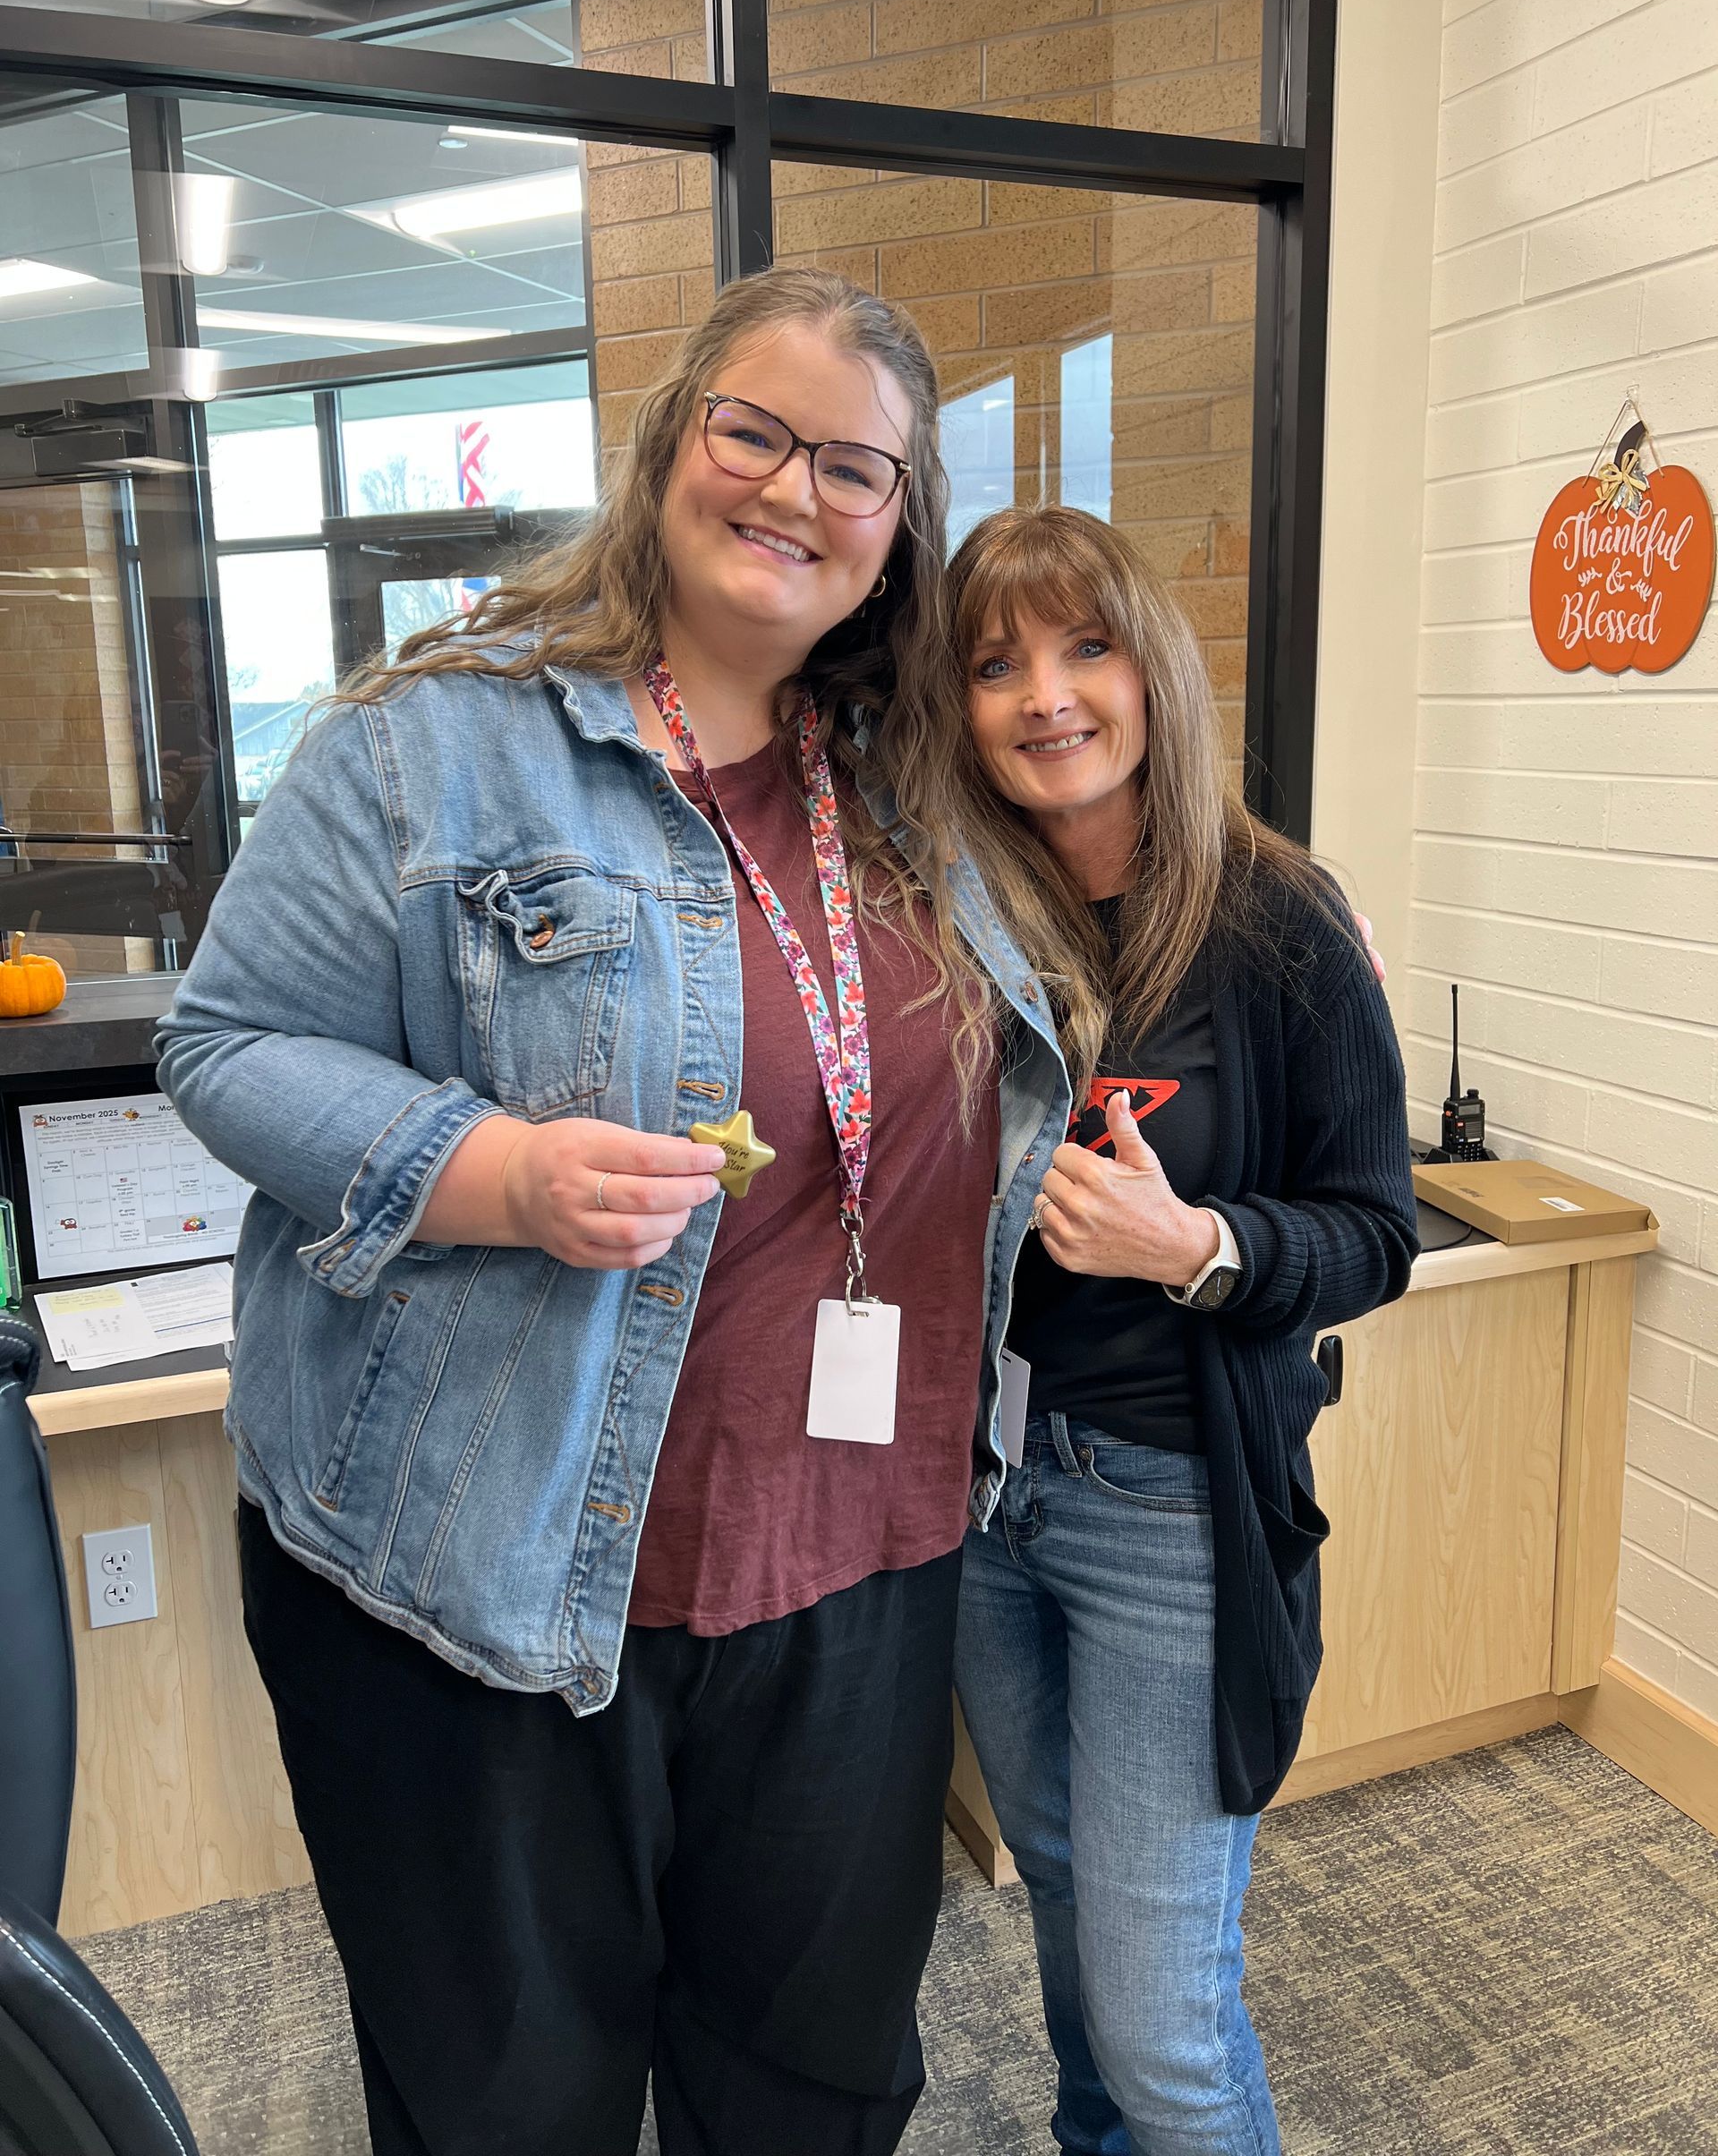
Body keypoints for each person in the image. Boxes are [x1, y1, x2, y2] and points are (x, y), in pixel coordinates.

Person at [154, 268, 1073, 2156]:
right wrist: (492, 1172)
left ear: (900, 531)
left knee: (812, 2087)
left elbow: (1107, 883)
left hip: (855, 1563)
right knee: (514, 2103)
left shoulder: (914, 779)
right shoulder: (435, 740)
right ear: (672, 445)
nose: (795, 490)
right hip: (486, 1576)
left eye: (857, 468)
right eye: (756, 431)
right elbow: (228, 1039)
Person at [885, 505, 1418, 2156]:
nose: (1045, 696)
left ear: (1152, 671)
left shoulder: (1277, 921)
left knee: (1164, 2017)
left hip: (1169, 1511)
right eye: (996, 663)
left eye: (1084, 646)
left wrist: (1195, 1247)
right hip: (988, 1503)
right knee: (1059, 1898)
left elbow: (1375, 1232)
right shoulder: (951, 921)